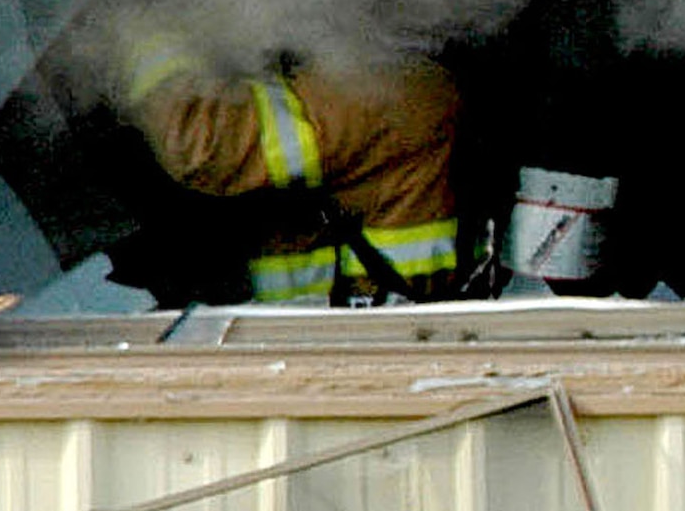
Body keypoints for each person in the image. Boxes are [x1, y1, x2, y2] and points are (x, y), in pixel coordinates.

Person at [116, 24, 461, 304]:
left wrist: (141, 33)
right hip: (310, 343)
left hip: (354, 350)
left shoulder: (391, 89)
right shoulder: (372, 76)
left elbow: (199, 146)